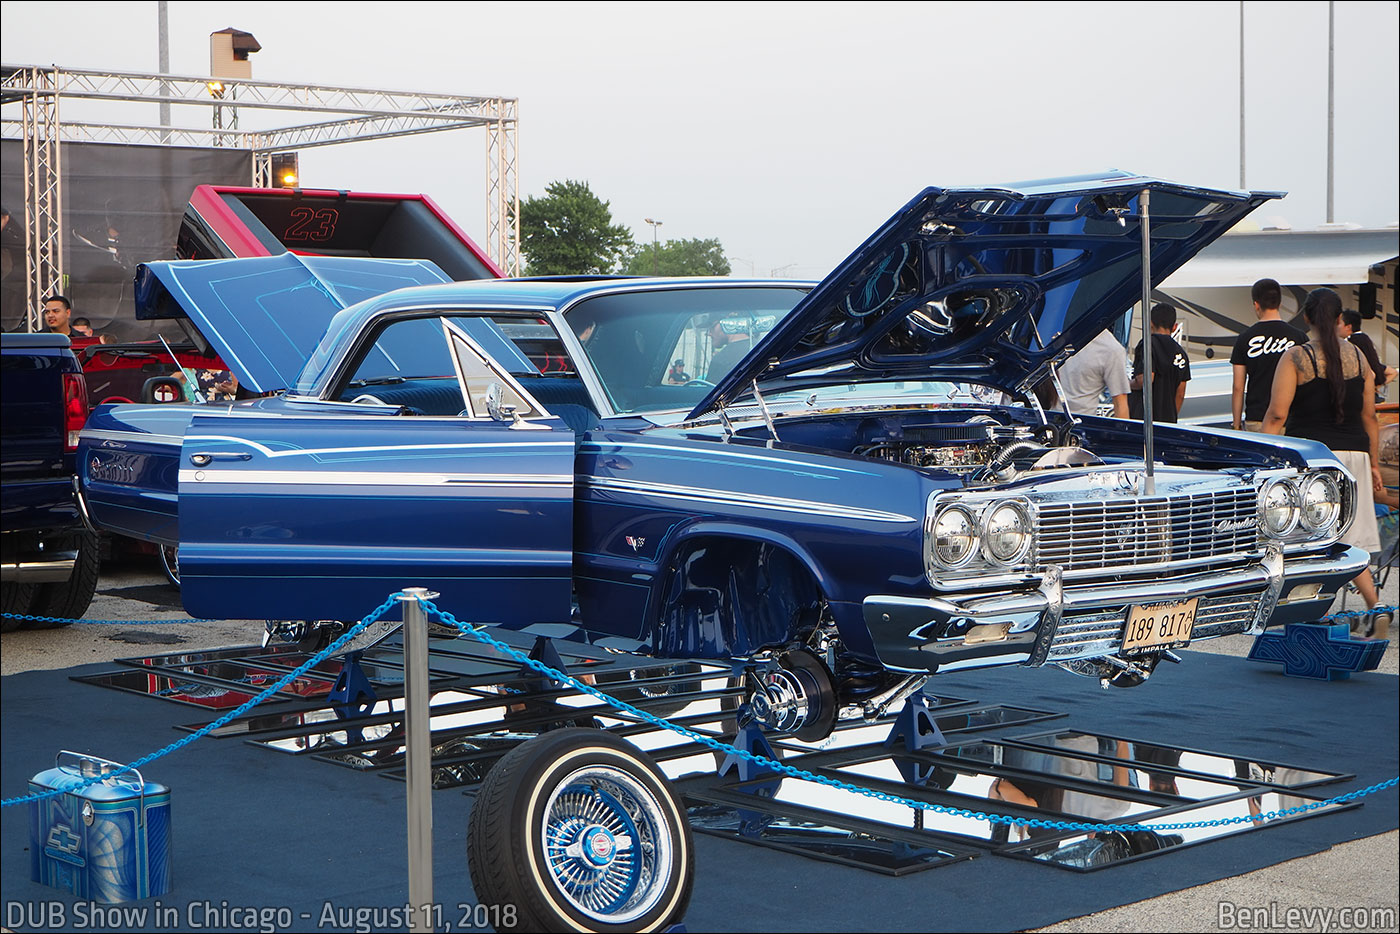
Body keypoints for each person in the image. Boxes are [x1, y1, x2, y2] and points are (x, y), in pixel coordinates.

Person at [1262, 288, 1388, 640]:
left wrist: (1264, 456)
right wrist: (1373, 464)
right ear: (1338, 320)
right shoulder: (1361, 358)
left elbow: (1276, 414)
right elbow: (1369, 416)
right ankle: (1374, 606)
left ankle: (1309, 612)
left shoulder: (1296, 358)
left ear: (1306, 318)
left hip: (1314, 460)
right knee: (1350, 542)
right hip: (1356, 457)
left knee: (1309, 540)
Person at [1230, 278, 1306, 431]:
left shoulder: (1245, 338)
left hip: (1258, 418)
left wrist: (1237, 424)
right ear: (1280, 303)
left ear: (1256, 304)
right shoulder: (1299, 337)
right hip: (1291, 419)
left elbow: (1238, 387)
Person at [1129, 303, 1191, 422]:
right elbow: (1180, 393)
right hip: (1167, 422)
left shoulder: (1147, 345)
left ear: (1150, 323)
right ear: (1174, 327)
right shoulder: (1181, 354)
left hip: (1142, 419)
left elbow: (1145, 380)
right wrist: (1172, 417)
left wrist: (1128, 384)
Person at [1058, 327, 1130, 417]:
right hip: (1077, 422)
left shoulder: (1053, 338)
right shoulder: (1112, 349)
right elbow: (1120, 404)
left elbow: (1120, 404)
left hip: (1053, 420)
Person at [1339, 308, 1396, 402]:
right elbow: (1393, 372)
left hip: (1360, 400)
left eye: (1339, 323)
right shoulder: (1365, 339)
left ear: (1348, 327)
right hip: (1372, 398)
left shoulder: (1350, 343)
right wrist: (1375, 386)